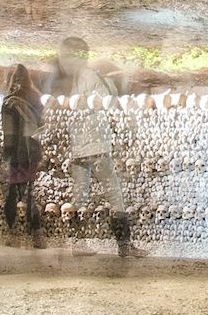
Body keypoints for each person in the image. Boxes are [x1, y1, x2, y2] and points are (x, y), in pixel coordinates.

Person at [46, 37, 149, 258]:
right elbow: (107, 104)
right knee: (112, 196)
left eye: (66, 56)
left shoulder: (82, 78)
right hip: (91, 147)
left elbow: (103, 103)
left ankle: (81, 244)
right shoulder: (78, 79)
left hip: (84, 147)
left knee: (82, 197)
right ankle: (122, 246)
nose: (63, 61)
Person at [0, 64, 46, 249]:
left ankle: (12, 233)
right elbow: (42, 125)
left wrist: (7, 154)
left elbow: (8, 131)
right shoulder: (36, 97)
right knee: (31, 192)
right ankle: (37, 234)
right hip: (32, 150)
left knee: (13, 191)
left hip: (17, 152)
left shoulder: (9, 101)